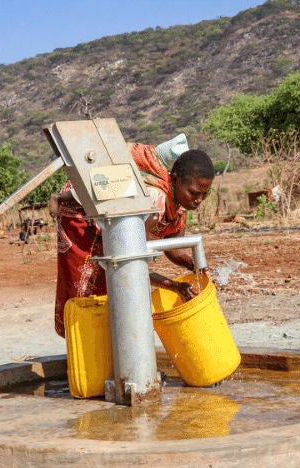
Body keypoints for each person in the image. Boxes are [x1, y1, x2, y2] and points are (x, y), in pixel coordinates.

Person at [49, 133, 215, 337]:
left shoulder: (179, 205)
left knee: (112, 290)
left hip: (113, 226)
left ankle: (103, 348)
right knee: (87, 289)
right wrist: (175, 286)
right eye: (194, 193)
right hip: (82, 216)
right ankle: (85, 346)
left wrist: (195, 265)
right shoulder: (156, 201)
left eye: (204, 195)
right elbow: (132, 263)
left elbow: (173, 247)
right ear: (175, 179)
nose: (198, 200)